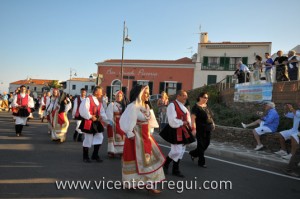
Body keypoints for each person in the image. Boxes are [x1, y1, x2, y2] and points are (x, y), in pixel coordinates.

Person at [120, 85, 164, 193]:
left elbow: (151, 122)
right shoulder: (133, 106)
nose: (148, 94)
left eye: (148, 92)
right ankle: (132, 182)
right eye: (145, 92)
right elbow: (125, 121)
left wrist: (150, 132)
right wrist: (130, 133)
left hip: (146, 137)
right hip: (135, 138)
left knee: (149, 160)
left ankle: (149, 184)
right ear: (139, 94)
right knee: (136, 161)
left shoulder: (147, 106)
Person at [160, 90, 195, 178]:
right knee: (176, 150)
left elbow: (188, 119)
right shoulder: (172, 105)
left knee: (182, 150)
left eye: (186, 96)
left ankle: (175, 169)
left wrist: (191, 128)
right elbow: (172, 120)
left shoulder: (184, 107)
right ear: (178, 96)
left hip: (184, 130)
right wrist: (182, 122)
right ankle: (165, 164)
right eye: (184, 95)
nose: (185, 97)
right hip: (175, 129)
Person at [79, 86, 111, 163]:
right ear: (96, 92)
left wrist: (106, 120)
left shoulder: (99, 102)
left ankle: (95, 155)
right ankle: (85, 156)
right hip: (89, 121)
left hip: (96, 122)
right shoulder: (87, 99)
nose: (102, 93)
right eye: (101, 91)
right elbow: (83, 110)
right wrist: (90, 116)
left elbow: (102, 112)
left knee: (100, 136)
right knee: (88, 139)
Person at [189, 92, 215, 168]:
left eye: (207, 98)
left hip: (208, 128)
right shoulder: (196, 107)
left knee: (206, 144)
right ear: (200, 97)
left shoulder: (206, 106)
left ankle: (193, 153)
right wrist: (193, 129)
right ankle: (201, 162)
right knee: (200, 145)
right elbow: (193, 119)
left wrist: (213, 123)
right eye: (204, 97)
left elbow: (209, 115)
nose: (206, 99)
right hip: (200, 129)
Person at [105, 90, 127, 158]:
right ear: (115, 97)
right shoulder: (112, 104)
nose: (119, 97)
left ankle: (120, 151)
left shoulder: (124, 105)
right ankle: (112, 151)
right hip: (114, 122)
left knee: (121, 138)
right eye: (118, 96)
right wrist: (110, 122)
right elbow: (109, 114)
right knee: (113, 137)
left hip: (121, 123)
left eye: (120, 96)